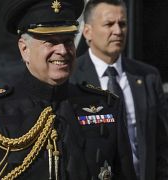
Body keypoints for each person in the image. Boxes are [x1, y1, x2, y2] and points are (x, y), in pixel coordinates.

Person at [0, 0, 136, 179]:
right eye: (50, 42)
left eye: (68, 41)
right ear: (24, 49)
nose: (63, 51)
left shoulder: (106, 105)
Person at [69, 0, 168, 179]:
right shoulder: (71, 78)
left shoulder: (148, 77)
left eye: (122, 24)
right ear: (87, 32)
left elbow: (161, 143)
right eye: (109, 24)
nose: (118, 31)